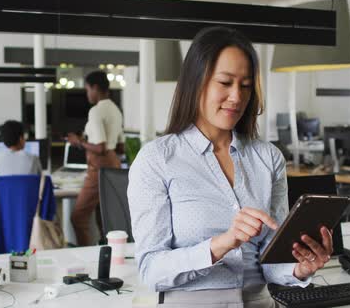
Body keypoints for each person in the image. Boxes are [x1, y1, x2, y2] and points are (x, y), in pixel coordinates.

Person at [128, 26, 333, 307]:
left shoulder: (268, 157)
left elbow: (271, 261)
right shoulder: (156, 160)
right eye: (225, 83)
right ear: (195, 82)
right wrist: (222, 244)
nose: (237, 97)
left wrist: (300, 269)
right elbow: (151, 271)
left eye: (246, 85)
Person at [67, 70, 124, 246]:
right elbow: (119, 146)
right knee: (105, 218)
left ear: (95, 88)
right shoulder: (115, 109)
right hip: (114, 163)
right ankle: (107, 253)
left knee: (78, 217)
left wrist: (79, 141)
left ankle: (84, 253)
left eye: (87, 90)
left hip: (99, 167)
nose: (87, 94)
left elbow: (100, 147)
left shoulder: (96, 111)